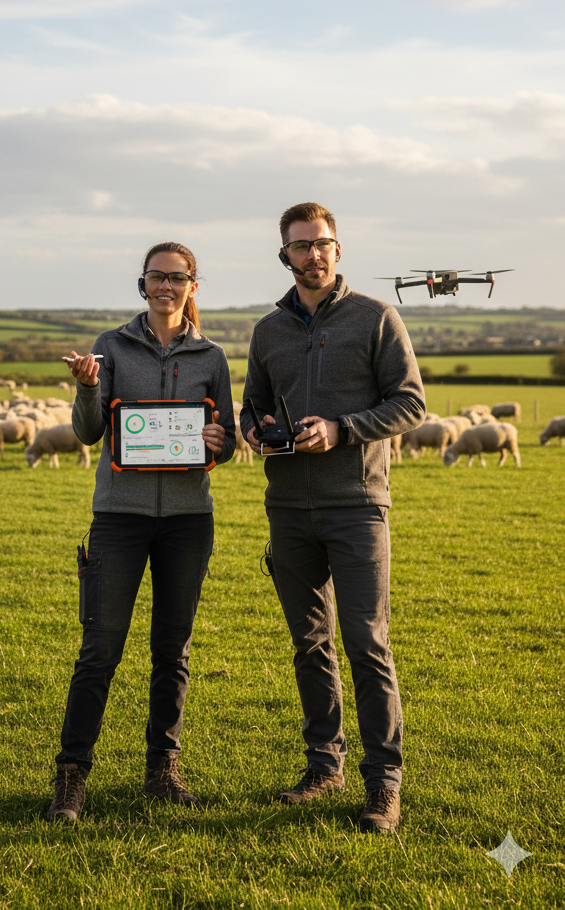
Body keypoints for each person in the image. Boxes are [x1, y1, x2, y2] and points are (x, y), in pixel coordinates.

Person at [240, 202, 425, 834]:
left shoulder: (376, 318)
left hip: (357, 505)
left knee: (367, 643)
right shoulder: (268, 331)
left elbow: (410, 403)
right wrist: (256, 430)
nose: (313, 254)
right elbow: (252, 405)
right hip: (288, 507)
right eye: (301, 245)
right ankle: (324, 765)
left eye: (322, 243)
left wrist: (343, 429)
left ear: (337, 249)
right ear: (285, 255)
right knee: (309, 643)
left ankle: (383, 784)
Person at [46, 241, 237, 824]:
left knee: (172, 651)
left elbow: (226, 438)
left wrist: (218, 441)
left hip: (188, 521)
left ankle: (162, 770)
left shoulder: (211, 356)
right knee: (99, 649)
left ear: (192, 286)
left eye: (177, 278)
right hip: (119, 518)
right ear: (143, 284)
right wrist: (86, 387)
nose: (166, 286)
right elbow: (87, 434)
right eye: (157, 277)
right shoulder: (110, 347)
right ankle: (71, 778)